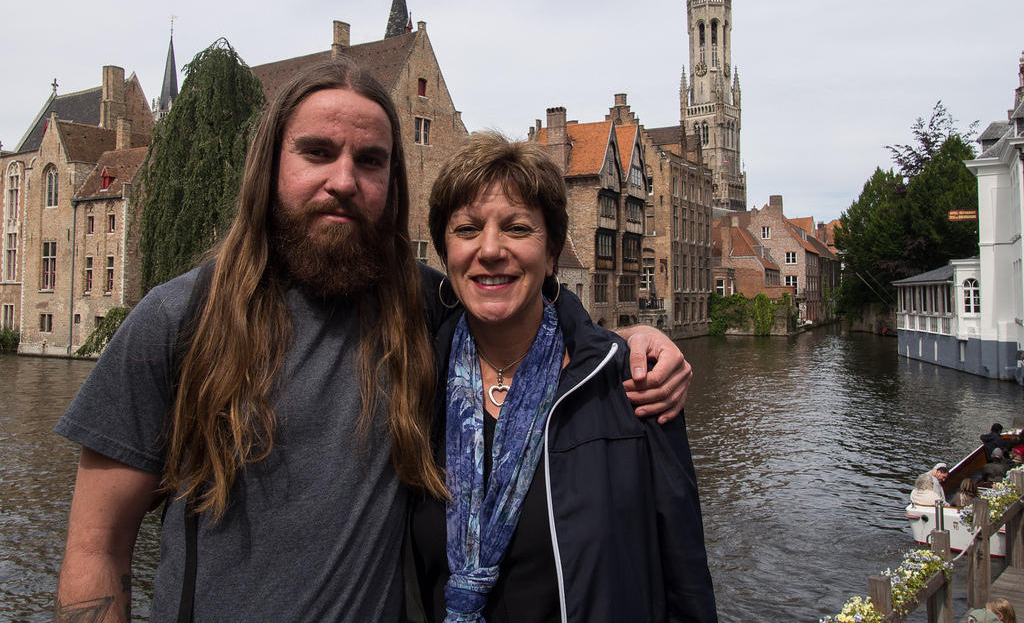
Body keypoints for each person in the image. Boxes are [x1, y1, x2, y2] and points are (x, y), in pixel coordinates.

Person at [54, 60, 693, 622]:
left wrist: (625, 339)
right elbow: (96, 552)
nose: (343, 179)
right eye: (316, 152)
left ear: (392, 181)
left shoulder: (419, 305)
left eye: (369, 161)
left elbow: (516, 295)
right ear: (270, 164)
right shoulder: (177, 322)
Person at [407, 133, 717, 622]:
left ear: (552, 252)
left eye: (516, 228)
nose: (490, 249)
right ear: (445, 254)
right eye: (467, 228)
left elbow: (684, 581)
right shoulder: (414, 383)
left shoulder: (627, 385)